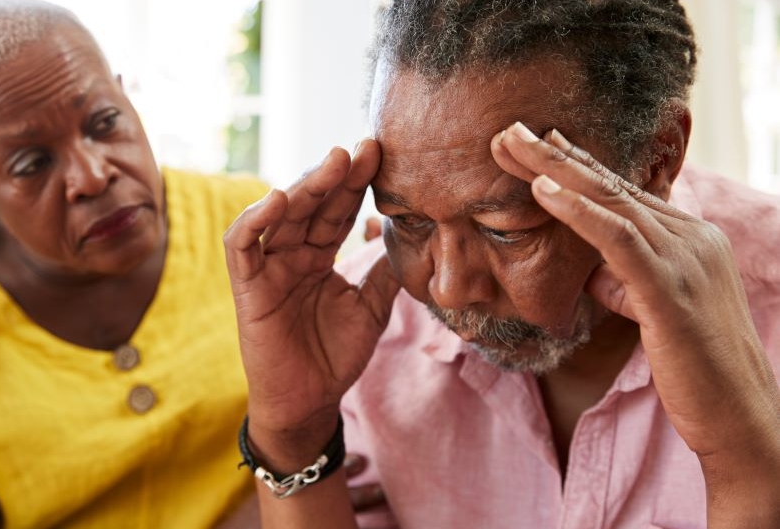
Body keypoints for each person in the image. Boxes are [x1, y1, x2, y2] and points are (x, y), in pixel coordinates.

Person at [224, 1, 780, 528]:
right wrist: (295, 434)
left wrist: (746, 458)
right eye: (408, 220)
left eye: (505, 231)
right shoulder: (361, 327)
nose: (448, 288)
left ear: (656, 158)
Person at [0, 0, 275, 526]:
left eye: (104, 122)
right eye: (32, 163)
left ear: (127, 99)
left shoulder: (255, 224)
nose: (92, 176)